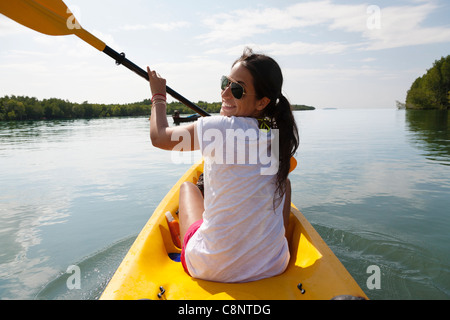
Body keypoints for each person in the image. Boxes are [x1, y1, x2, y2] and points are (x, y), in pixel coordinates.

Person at [147, 48, 299, 283]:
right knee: (284, 183)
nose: (225, 93)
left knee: (188, 188)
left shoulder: (217, 127)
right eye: (225, 83)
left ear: (262, 102)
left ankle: (188, 238)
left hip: (210, 267)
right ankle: (274, 242)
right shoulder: (275, 131)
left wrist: (158, 97)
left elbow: (159, 137)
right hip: (273, 265)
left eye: (237, 89)